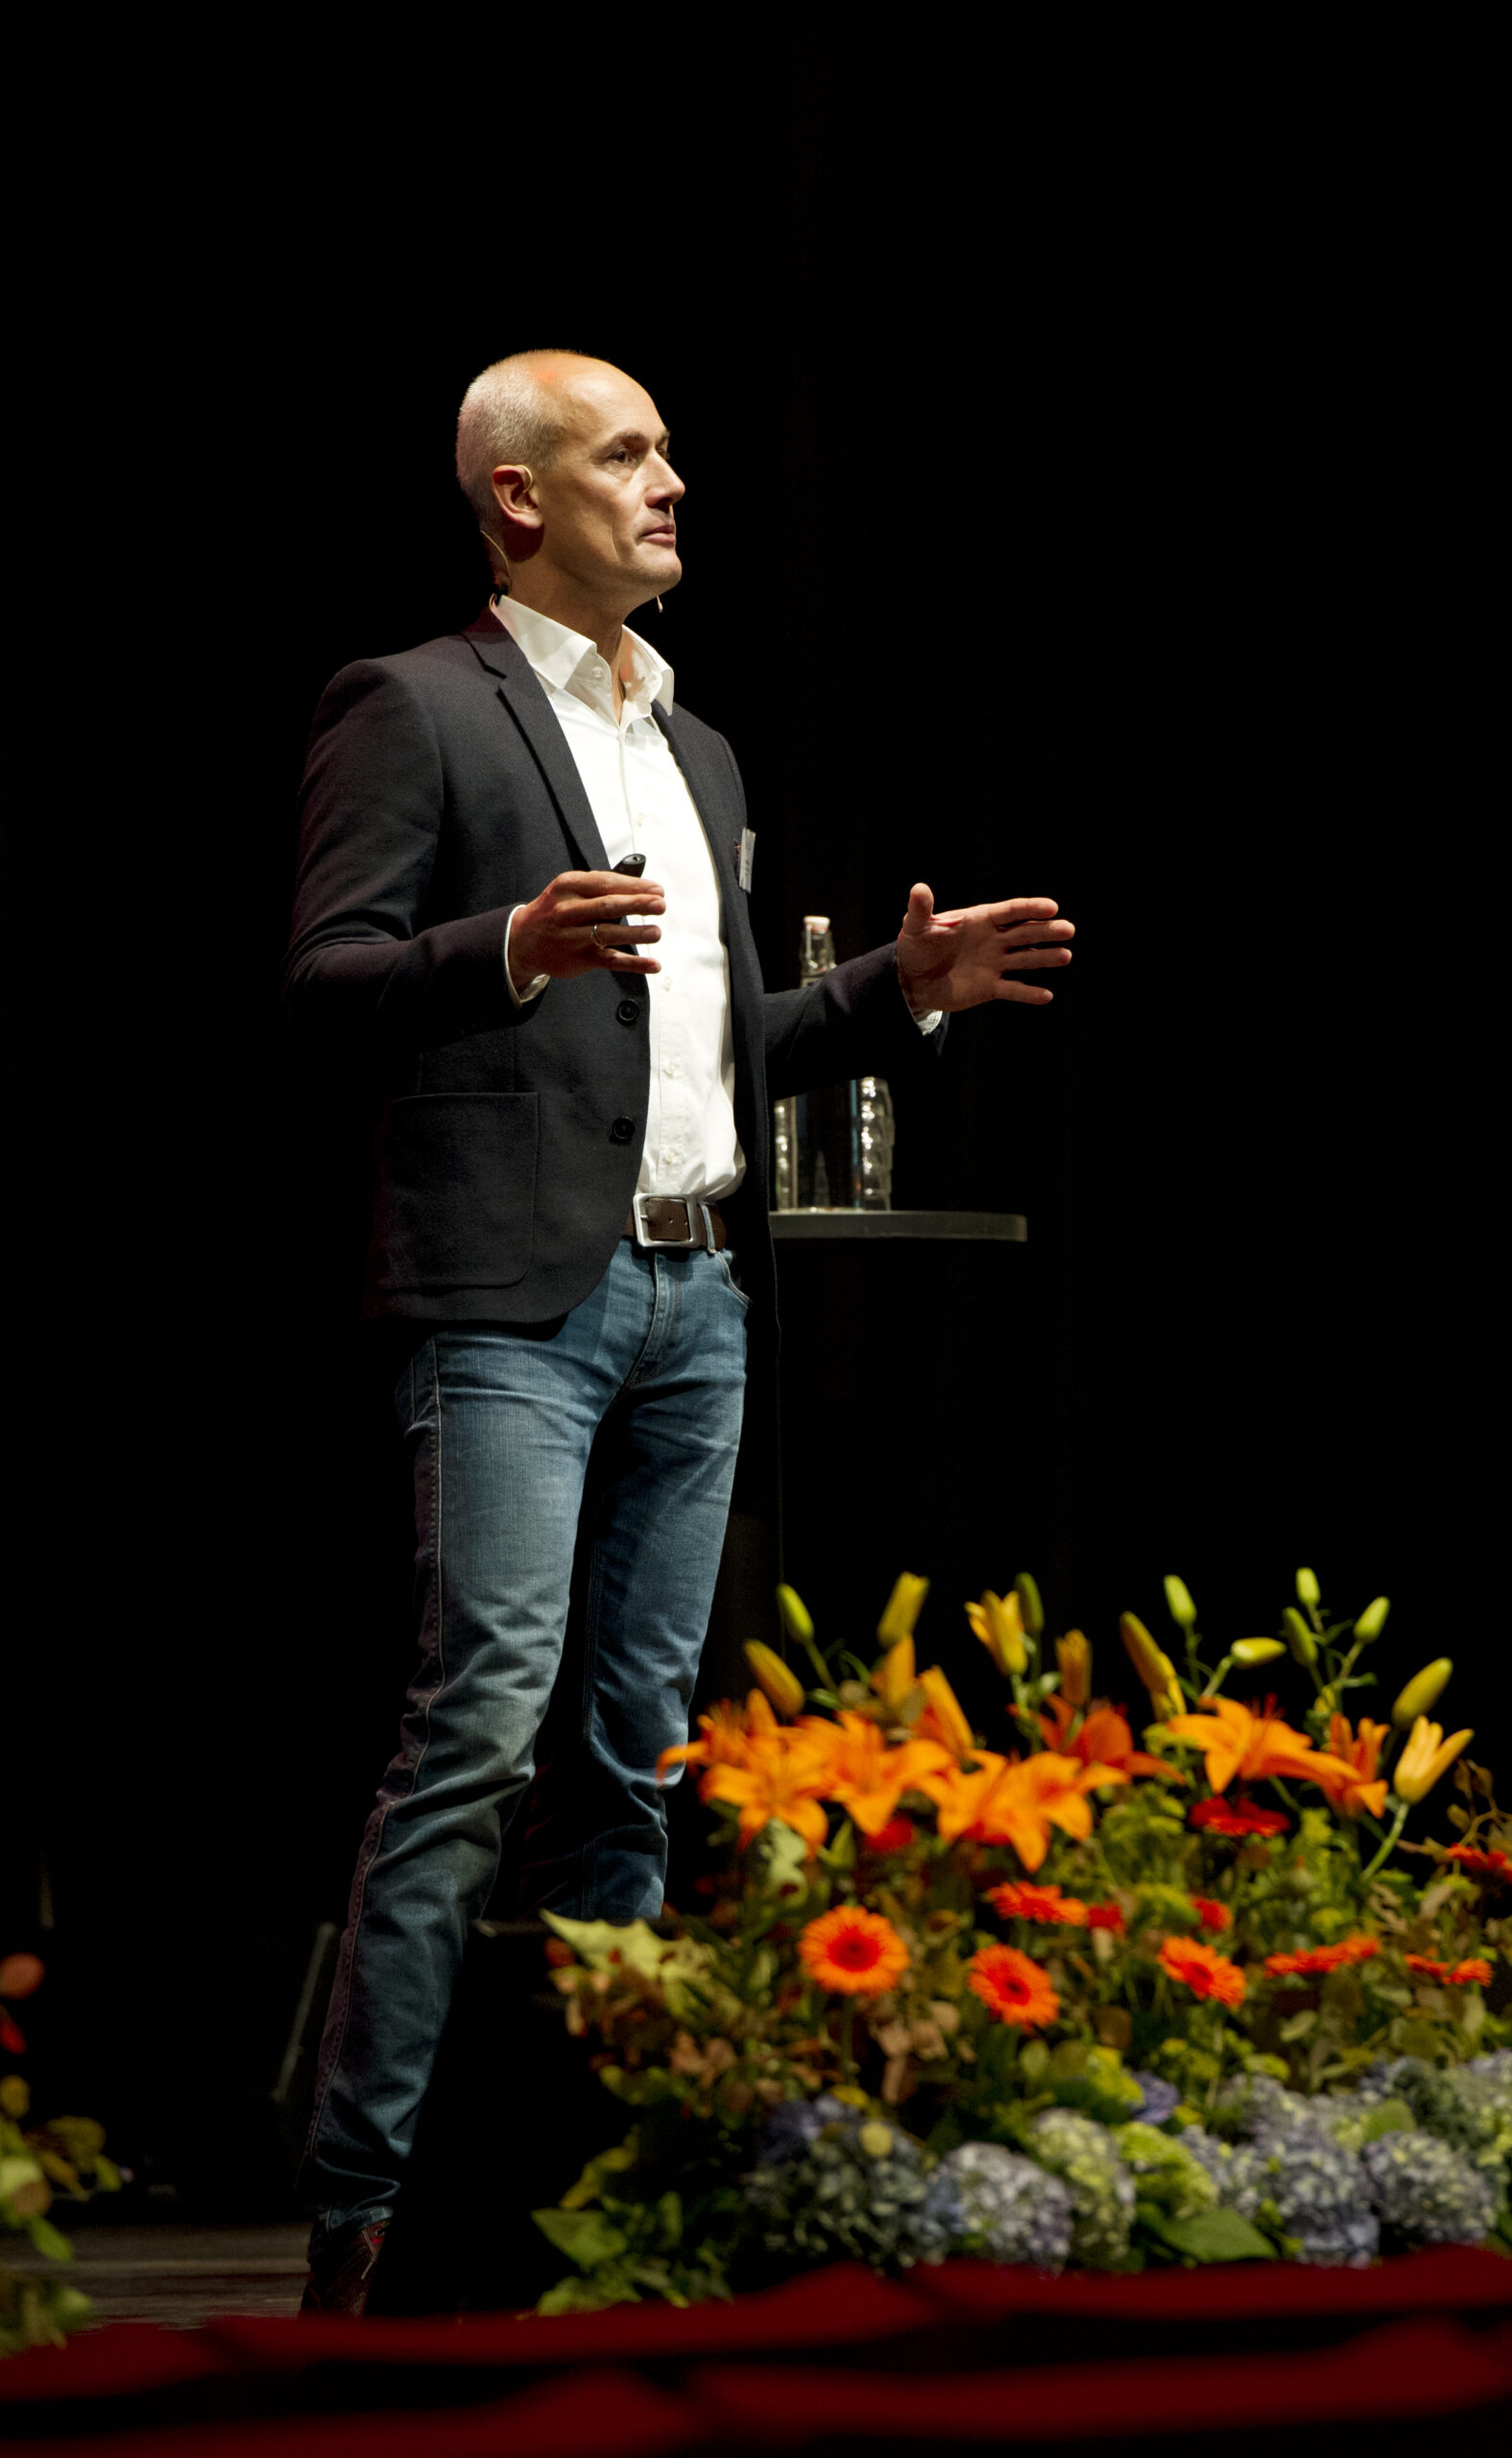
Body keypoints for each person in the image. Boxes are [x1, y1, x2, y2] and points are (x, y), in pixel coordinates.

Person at [282, 349, 1073, 2312]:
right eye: (625, 452)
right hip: (511, 1305)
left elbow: (717, 1047)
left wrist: (894, 988)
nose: (670, 479)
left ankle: (601, 2185)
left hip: (697, 1292)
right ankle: (363, 2212)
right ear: (516, 497)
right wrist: (506, 945)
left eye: (665, 450)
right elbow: (325, 983)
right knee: (481, 1729)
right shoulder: (414, 703)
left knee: (637, 1753)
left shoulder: (696, 746)